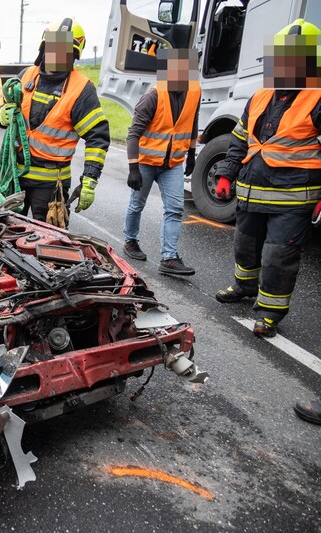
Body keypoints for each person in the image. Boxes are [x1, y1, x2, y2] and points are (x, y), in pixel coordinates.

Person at [214, 19, 321, 338]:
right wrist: (225, 173)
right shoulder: (260, 96)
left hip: (292, 200)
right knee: (244, 247)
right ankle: (244, 287)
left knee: (278, 257)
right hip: (250, 193)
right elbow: (239, 139)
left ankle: (269, 312)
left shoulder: (316, 98)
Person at [1, 18, 110, 222]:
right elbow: (9, 112)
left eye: (65, 51)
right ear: (44, 48)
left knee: (48, 243)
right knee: (7, 236)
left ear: (74, 56)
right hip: (15, 178)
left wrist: (89, 179)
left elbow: (98, 137)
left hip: (51, 186)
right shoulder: (26, 76)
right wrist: (3, 116)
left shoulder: (82, 89)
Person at [123, 48, 200, 276]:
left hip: (173, 163)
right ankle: (130, 241)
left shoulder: (194, 91)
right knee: (137, 204)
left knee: (175, 209)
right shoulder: (153, 96)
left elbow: (193, 122)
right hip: (146, 162)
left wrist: (192, 153)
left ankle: (169, 258)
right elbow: (133, 134)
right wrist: (133, 168)